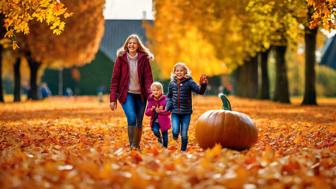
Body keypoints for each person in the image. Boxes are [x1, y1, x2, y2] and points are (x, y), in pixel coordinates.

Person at [109, 34, 154, 150]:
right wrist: (113, 99)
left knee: (139, 121)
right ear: (126, 45)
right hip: (126, 94)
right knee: (132, 118)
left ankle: (137, 145)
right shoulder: (121, 59)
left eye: (134, 43)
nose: (131, 45)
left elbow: (148, 80)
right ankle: (132, 146)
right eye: (130, 43)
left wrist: (151, 96)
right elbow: (115, 79)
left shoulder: (144, 59)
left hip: (141, 95)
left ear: (138, 45)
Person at [166, 62, 208, 151]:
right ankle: (175, 136)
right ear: (174, 72)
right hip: (175, 112)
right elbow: (169, 96)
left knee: (184, 133)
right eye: (177, 71)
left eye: (181, 70)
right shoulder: (172, 83)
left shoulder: (190, 82)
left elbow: (200, 91)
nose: (179, 72)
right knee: (175, 131)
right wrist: (167, 107)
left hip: (186, 113)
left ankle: (183, 150)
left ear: (185, 72)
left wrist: (203, 85)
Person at [145, 82, 171, 148]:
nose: (156, 92)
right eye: (154, 90)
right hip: (155, 121)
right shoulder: (151, 101)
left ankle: (165, 147)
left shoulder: (165, 100)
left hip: (164, 121)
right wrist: (151, 109)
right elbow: (147, 113)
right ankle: (159, 138)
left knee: (165, 136)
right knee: (155, 131)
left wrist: (161, 111)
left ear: (161, 91)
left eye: (157, 90)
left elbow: (169, 111)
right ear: (152, 91)